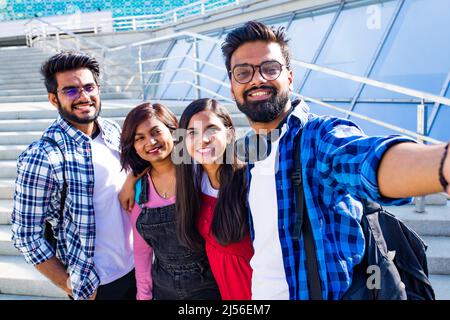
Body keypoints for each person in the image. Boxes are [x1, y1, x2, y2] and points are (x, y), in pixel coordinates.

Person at [221, 21, 450, 300]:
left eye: (270, 69)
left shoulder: (318, 138)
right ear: (232, 87)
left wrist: (442, 167)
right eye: (243, 72)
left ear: (290, 78)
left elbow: (364, 159)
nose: (257, 80)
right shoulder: (253, 154)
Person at [11, 51, 136, 300]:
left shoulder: (113, 131)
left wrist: (131, 181)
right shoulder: (42, 156)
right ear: (53, 99)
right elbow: (25, 235)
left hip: (138, 268)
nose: (84, 96)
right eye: (70, 90)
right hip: (98, 285)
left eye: (89, 87)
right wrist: (69, 284)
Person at [120, 102, 221, 300]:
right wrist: (144, 295)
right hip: (164, 288)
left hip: (209, 286)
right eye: (139, 138)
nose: (150, 142)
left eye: (156, 131)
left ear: (174, 131)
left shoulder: (199, 171)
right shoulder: (139, 188)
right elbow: (142, 252)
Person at [175, 98, 253, 300]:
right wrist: (132, 180)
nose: (203, 140)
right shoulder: (194, 181)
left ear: (228, 134)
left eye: (211, 130)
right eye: (193, 133)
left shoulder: (249, 182)